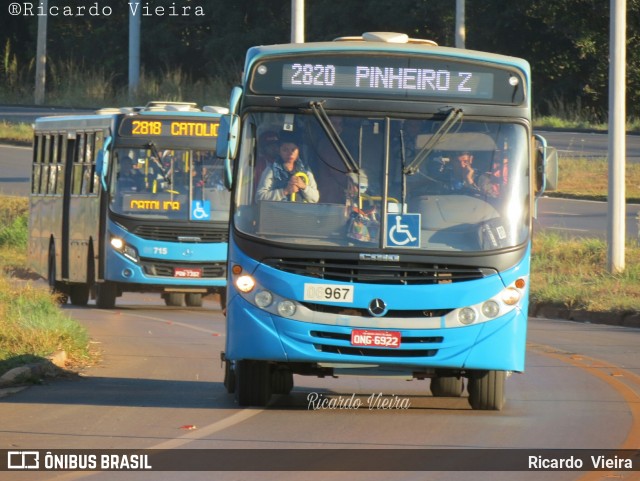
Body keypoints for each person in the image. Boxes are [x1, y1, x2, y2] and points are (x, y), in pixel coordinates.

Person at [256, 132, 320, 203]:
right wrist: (285, 191)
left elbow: (315, 198)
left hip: (301, 213)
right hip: (278, 213)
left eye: (293, 149)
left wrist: (304, 186)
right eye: (285, 150)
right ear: (279, 151)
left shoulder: (306, 170)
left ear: (298, 151)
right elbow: (259, 198)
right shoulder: (271, 170)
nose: (290, 153)